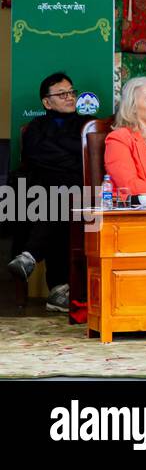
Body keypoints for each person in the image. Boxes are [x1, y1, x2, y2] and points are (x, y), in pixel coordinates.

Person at [6, 72, 90, 313]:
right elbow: (37, 156)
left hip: (77, 192)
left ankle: (30, 257)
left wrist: (59, 149)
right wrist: (71, 151)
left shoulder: (88, 123)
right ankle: (58, 289)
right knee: (60, 200)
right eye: (62, 94)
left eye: (72, 92)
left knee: (63, 199)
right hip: (42, 192)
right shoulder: (35, 127)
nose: (69, 97)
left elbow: (86, 159)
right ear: (46, 102)